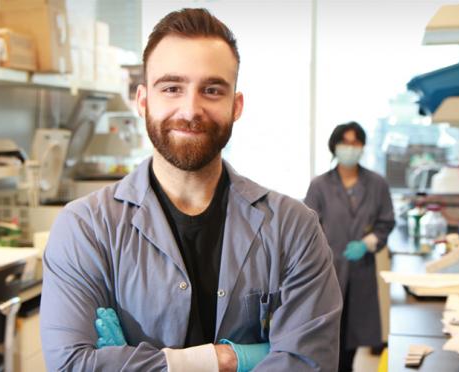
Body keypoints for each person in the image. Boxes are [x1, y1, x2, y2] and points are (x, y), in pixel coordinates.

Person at [41, 8, 342, 371]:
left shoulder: (293, 228)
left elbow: (310, 363)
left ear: (236, 105)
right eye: (171, 88)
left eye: (212, 90)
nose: (190, 109)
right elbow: (71, 364)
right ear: (142, 100)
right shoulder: (86, 228)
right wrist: (227, 359)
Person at [304, 122, 396, 372]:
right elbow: (307, 228)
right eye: (345, 142)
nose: (350, 148)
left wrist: (367, 244)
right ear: (334, 146)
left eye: (355, 143)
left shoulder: (377, 184)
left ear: (363, 146)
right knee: (327, 335)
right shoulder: (319, 185)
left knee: (353, 338)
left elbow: (386, 223)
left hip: (361, 268)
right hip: (327, 271)